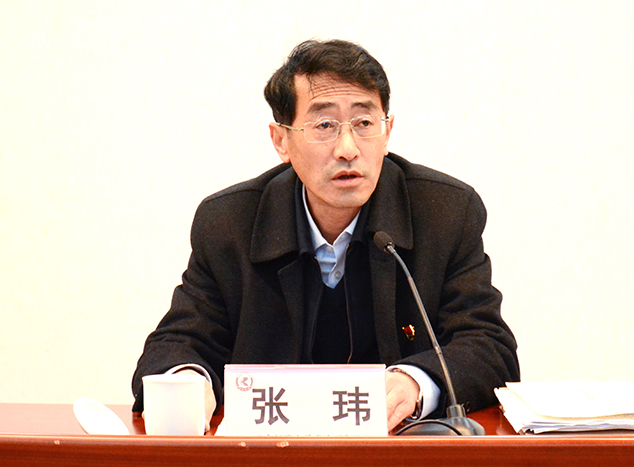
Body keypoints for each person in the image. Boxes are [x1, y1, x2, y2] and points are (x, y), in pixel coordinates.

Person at [132, 39, 519, 432]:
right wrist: (187, 384)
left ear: (387, 132)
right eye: (324, 126)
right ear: (281, 140)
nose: (348, 149)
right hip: (273, 451)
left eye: (364, 123)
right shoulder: (230, 223)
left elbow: (489, 347)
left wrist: (415, 382)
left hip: (397, 449)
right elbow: (177, 345)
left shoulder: (444, 213)